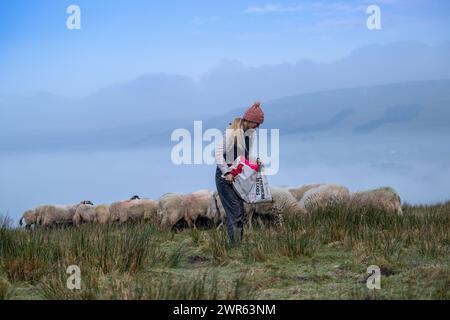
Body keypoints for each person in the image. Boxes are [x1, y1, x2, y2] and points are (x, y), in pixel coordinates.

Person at [214, 101, 265, 247]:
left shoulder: (251, 134)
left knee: (240, 211)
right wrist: (227, 172)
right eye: (257, 123)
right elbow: (218, 154)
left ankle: (237, 245)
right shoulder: (231, 132)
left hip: (238, 178)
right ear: (249, 120)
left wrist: (256, 161)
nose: (258, 127)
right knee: (235, 211)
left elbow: (246, 156)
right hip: (225, 178)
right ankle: (234, 247)